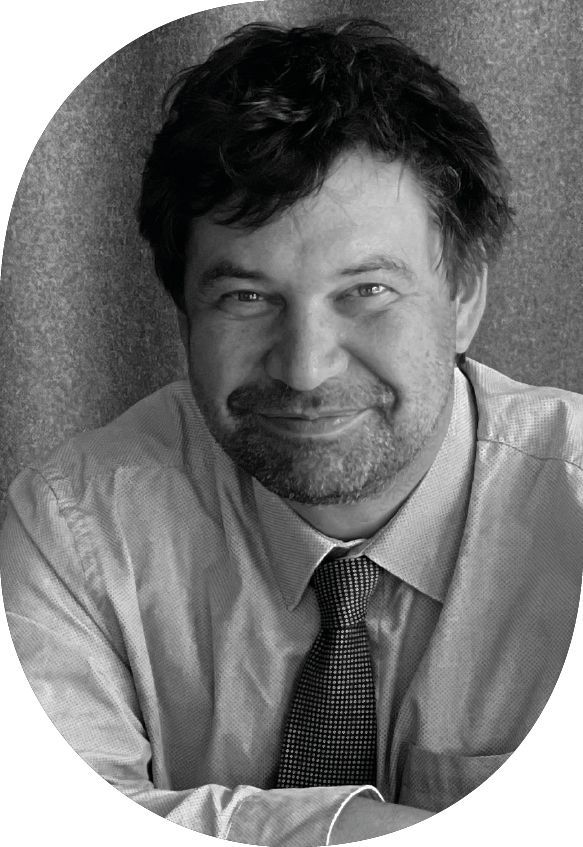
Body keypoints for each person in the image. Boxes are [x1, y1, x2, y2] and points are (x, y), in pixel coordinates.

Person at [1, 17, 581, 847]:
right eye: (246, 298)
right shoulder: (74, 529)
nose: (305, 368)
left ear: (463, 299)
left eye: (366, 290)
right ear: (185, 317)